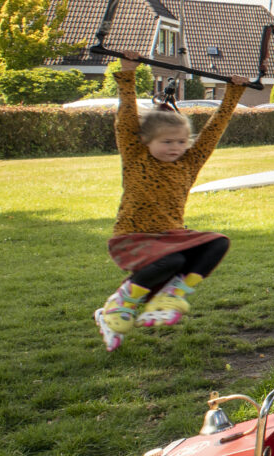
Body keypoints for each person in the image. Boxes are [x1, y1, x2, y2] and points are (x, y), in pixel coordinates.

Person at [95, 53, 248, 351]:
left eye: (181, 142)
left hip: (171, 235)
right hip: (133, 235)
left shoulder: (188, 163)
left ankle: (171, 294)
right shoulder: (135, 155)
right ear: (145, 142)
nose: (175, 148)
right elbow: (125, 118)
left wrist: (233, 93)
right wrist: (127, 72)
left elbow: (212, 132)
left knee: (218, 243)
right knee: (174, 260)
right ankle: (119, 304)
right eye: (166, 142)